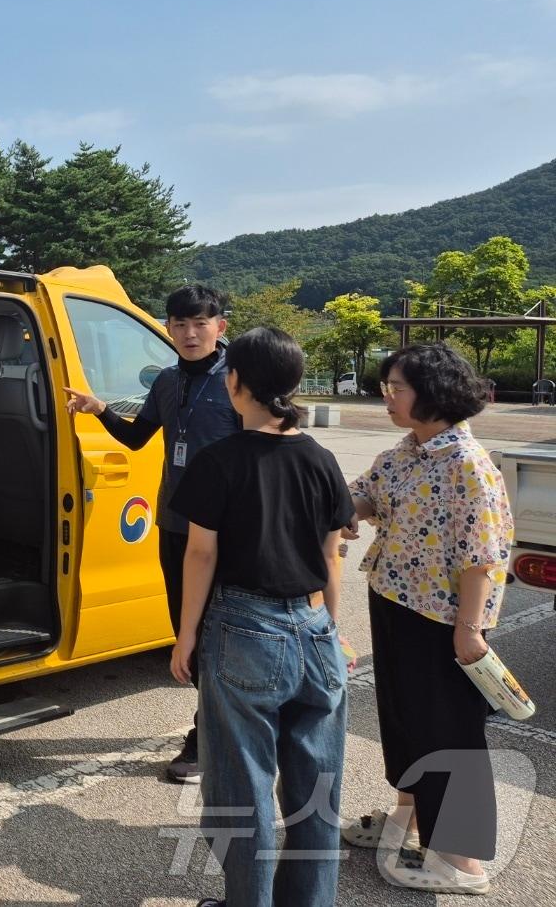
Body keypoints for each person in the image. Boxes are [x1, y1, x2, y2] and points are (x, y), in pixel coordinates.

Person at [168, 326, 353, 907]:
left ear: (235, 383)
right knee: (317, 787)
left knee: (240, 789)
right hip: (313, 628)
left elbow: (201, 553)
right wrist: (333, 631)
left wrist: (186, 634)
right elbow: (330, 557)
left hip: (243, 628)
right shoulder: (321, 459)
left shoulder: (218, 461)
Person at [341, 343, 513, 896]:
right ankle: (409, 816)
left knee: (449, 733)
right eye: (387, 386)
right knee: (405, 717)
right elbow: (364, 497)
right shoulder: (406, 452)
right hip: (393, 600)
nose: (386, 396)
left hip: (443, 620)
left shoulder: (468, 465)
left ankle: (460, 862)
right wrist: (339, 513)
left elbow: (483, 556)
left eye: (398, 388)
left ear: (434, 394)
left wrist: (469, 629)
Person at [65, 283, 240, 782]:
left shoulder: (238, 381)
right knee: (187, 631)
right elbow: (139, 437)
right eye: (179, 324)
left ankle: (211, 737)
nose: (189, 333)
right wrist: (100, 410)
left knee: (218, 634)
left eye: (200, 323)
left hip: (226, 530)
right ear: (167, 329)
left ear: (219, 327)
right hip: (175, 524)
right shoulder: (166, 382)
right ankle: (218, 727)